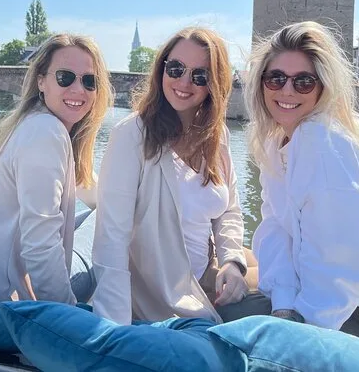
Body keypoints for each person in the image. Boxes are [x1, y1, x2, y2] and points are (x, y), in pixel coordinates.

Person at [243, 21, 359, 357]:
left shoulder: (322, 142)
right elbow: (276, 230)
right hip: (338, 307)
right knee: (236, 317)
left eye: (303, 81)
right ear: (261, 84)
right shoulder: (275, 143)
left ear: (322, 88)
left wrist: (298, 335)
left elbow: (343, 261)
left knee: (238, 329)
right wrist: (283, 305)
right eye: (276, 78)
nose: (287, 91)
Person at [92, 27, 270, 326]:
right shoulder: (132, 135)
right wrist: (115, 331)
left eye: (200, 76)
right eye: (175, 68)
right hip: (166, 289)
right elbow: (111, 237)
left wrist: (231, 262)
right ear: (161, 68)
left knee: (287, 275)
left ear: (215, 83)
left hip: (207, 268)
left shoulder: (216, 136)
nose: (184, 82)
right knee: (281, 298)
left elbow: (229, 210)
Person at [0, 34, 113, 305]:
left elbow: (94, 194)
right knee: (107, 223)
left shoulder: (30, 123)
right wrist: (67, 317)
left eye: (89, 81)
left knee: (106, 215)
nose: (78, 89)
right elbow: (40, 245)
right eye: (65, 77)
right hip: (1, 305)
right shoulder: (45, 132)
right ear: (41, 81)